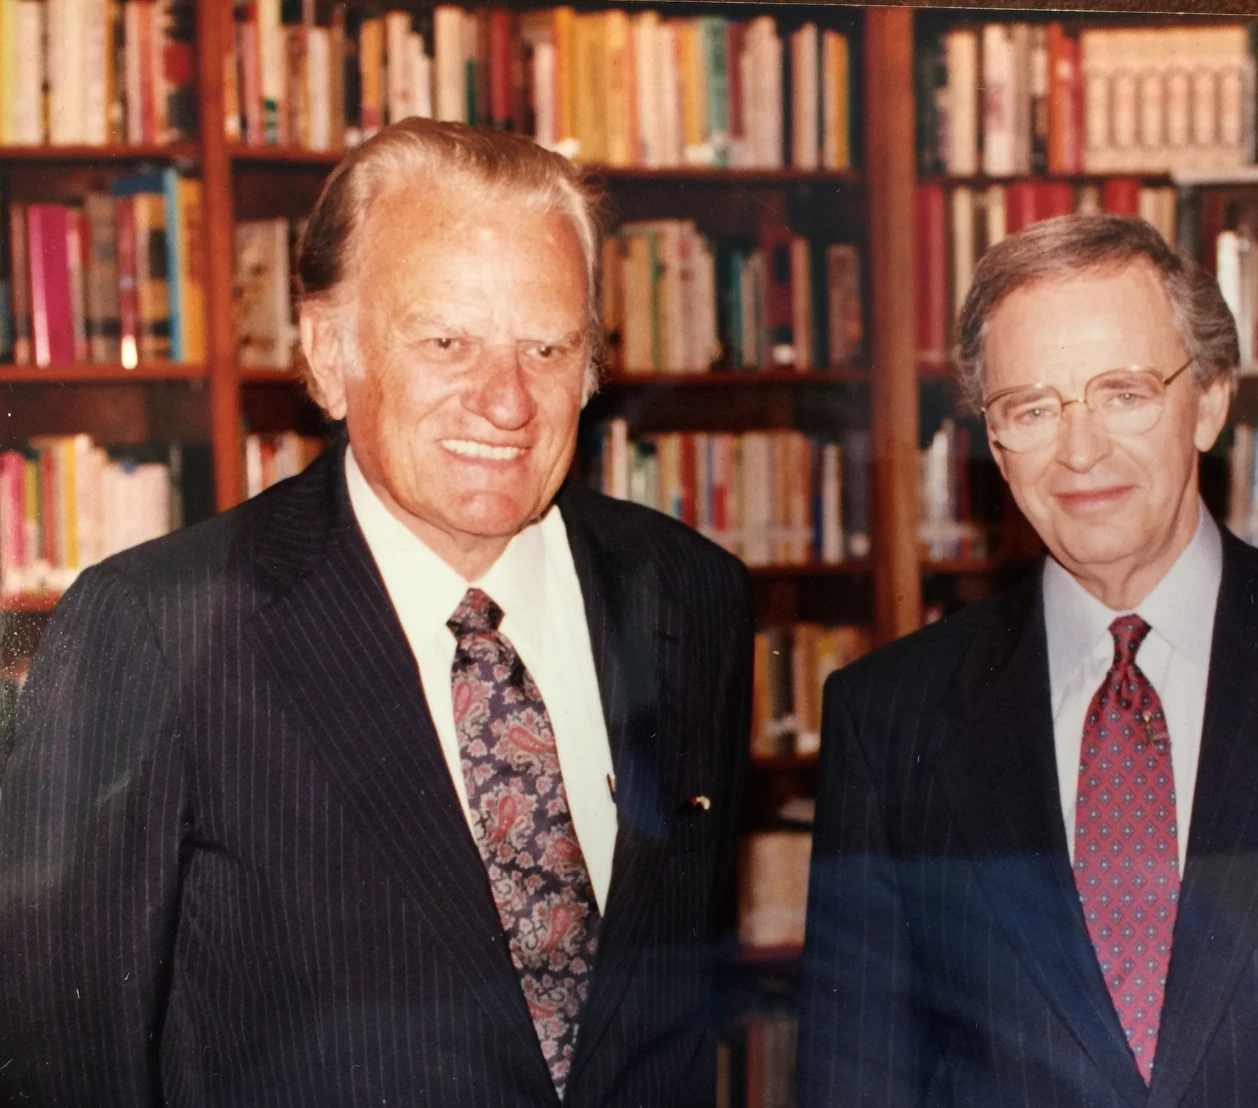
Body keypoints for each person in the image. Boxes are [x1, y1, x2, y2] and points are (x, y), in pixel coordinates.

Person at [0, 119, 754, 1106]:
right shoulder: (158, 628)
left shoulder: (692, 595)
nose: (507, 400)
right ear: (325, 351)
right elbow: (62, 1062)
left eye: (547, 344)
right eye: (446, 339)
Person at [798, 213, 1258, 1108]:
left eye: (1123, 392)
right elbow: (856, 1080)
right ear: (993, 444)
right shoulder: (888, 715)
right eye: (1032, 409)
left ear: (1209, 401)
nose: (1080, 450)